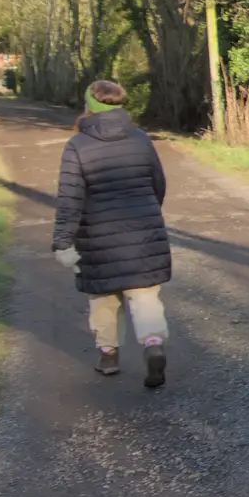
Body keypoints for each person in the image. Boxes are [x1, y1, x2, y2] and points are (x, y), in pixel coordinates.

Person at [51, 80, 173, 388]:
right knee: (145, 296)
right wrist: (148, 213)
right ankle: (153, 344)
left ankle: (108, 356)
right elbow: (158, 184)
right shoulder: (141, 139)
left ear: (89, 106)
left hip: (97, 237)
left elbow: (70, 199)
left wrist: (63, 242)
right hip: (143, 230)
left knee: (103, 299)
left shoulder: (77, 145)